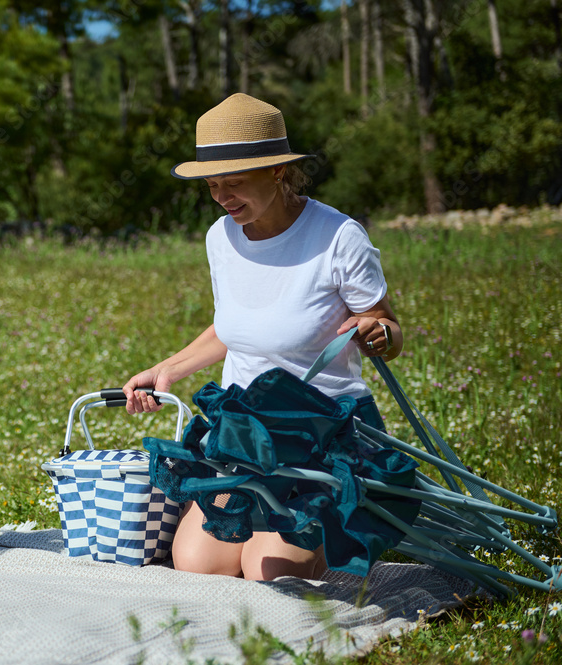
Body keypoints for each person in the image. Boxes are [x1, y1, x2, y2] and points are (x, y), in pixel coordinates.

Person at [122, 93, 404, 582]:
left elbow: (387, 328)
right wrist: (166, 370)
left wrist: (377, 334)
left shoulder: (338, 236)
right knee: (198, 564)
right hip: (244, 431)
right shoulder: (220, 237)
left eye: (234, 182)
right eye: (212, 185)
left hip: (320, 433)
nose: (222, 196)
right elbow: (235, 326)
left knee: (268, 571)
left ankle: (342, 517)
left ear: (277, 171)